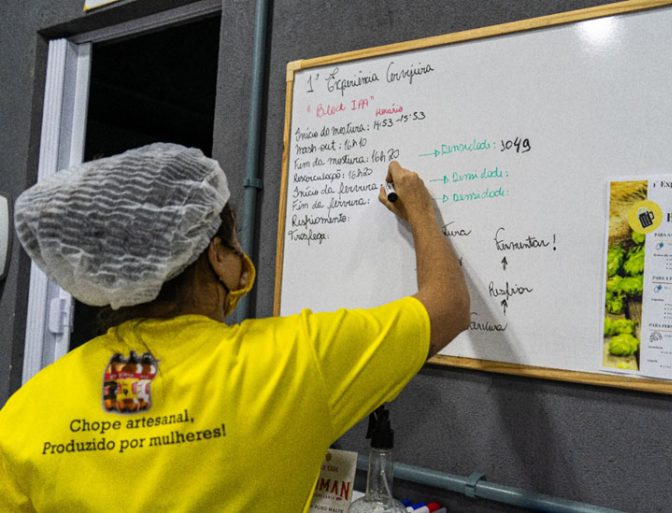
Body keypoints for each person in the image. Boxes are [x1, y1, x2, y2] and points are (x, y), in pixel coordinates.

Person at [0, 143, 469, 512]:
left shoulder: (26, 412)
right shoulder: (293, 360)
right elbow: (447, 307)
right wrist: (420, 209)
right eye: (232, 240)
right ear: (217, 256)